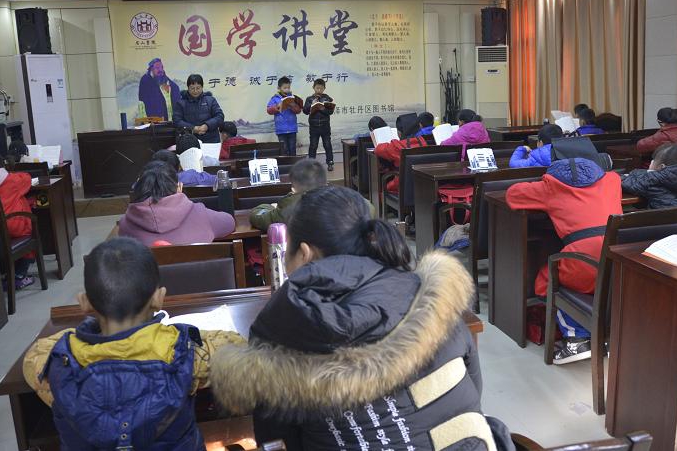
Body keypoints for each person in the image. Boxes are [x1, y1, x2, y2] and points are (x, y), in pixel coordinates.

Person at [209, 185, 515, 450]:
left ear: (304, 253)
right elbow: (473, 393)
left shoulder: (283, 333)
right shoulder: (431, 297)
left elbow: (279, 442)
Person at [22, 237, 245, 450]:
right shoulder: (184, 354)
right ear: (159, 298)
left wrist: (89, 334)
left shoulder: (59, 363)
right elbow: (236, 346)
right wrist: (165, 334)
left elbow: (40, 350)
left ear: (85, 303)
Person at [506, 158, 623, 364]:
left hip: (583, 261)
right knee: (601, 284)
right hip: (617, 260)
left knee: (546, 282)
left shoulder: (551, 186)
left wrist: (542, 183)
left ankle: (577, 337)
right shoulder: (611, 180)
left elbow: (512, 195)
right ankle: (606, 333)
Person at [118, 161, 235, 246]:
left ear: (139, 187)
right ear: (179, 187)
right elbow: (229, 222)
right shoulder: (201, 214)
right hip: (197, 273)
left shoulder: (126, 224)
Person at [249, 159, 326, 232]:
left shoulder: (290, 209)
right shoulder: (330, 202)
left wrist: (270, 207)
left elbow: (258, 217)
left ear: (294, 188)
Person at [621, 143, 677, 209]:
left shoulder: (652, 182)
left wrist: (632, 174)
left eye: (653, 161)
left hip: (663, 222)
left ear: (662, 167)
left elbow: (627, 183)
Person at [0, 154, 36, 289]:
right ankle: (20, 275)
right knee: (27, 230)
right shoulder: (12, 180)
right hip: (11, 226)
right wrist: (11, 172)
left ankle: (7, 273)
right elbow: (27, 178)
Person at [172, 74, 224, 143]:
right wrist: (193, 128)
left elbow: (220, 116)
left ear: (202, 87)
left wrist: (207, 126)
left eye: (198, 88)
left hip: (211, 140)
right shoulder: (180, 103)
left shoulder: (210, 100)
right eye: (192, 88)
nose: (195, 91)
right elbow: (176, 121)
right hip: (189, 141)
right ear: (188, 88)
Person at [373, 129, 428, 194]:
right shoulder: (425, 142)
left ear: (399, 133)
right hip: (425, 186)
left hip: (402, 186)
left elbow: (378, 150)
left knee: (383, 190)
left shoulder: (396, 146)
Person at [303, 78, 335, 171]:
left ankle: (330, 163)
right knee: (313, 145)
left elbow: (330, 111)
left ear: (324, 88)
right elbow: (305, 111)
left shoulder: (327, 98)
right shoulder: (309, 99)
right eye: (317, 88)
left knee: (327, 145)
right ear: (313, 87)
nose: (319, 90)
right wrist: (311, 105)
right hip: (314, 127)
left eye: (321, 88)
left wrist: (322, 108)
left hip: (325, 126)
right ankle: (311, 164)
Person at [267, 77, 303, 156]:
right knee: (284, 149)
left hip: (292, 129)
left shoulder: (293, 98)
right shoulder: (274, 98)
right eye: (285, 88)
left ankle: (293, 163)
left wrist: (293, 105)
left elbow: (298, 111)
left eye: (288, 87)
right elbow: (269, 110)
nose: (287, 89)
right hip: (281, 129)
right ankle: (285, 164)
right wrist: (277, 106)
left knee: (292, 149)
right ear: (279, 88)